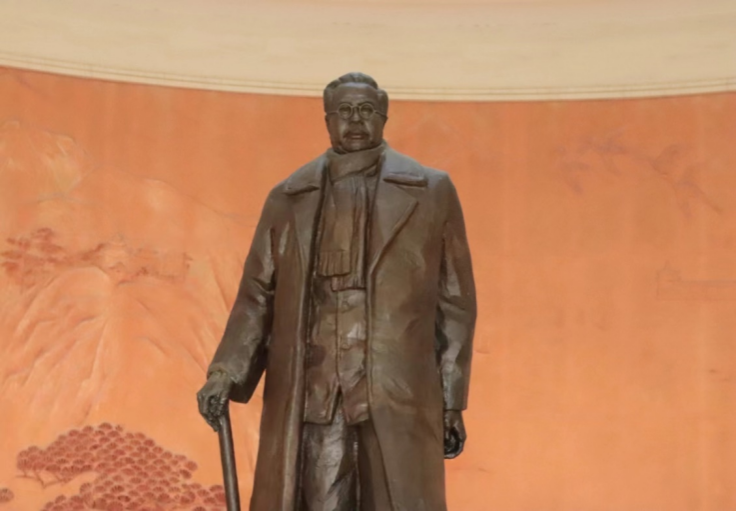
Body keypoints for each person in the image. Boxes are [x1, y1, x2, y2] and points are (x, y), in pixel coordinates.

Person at [197, 72, 476, 511]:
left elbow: (454, 303)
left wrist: (451, 398)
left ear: (383, 117)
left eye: (366, 110)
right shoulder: (288, 198)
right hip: (314, 390)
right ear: (327, 119)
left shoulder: (431, 191)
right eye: (344, 111)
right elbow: (257, 295)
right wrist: (225, 372)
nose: (355, 120)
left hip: (397, 388)